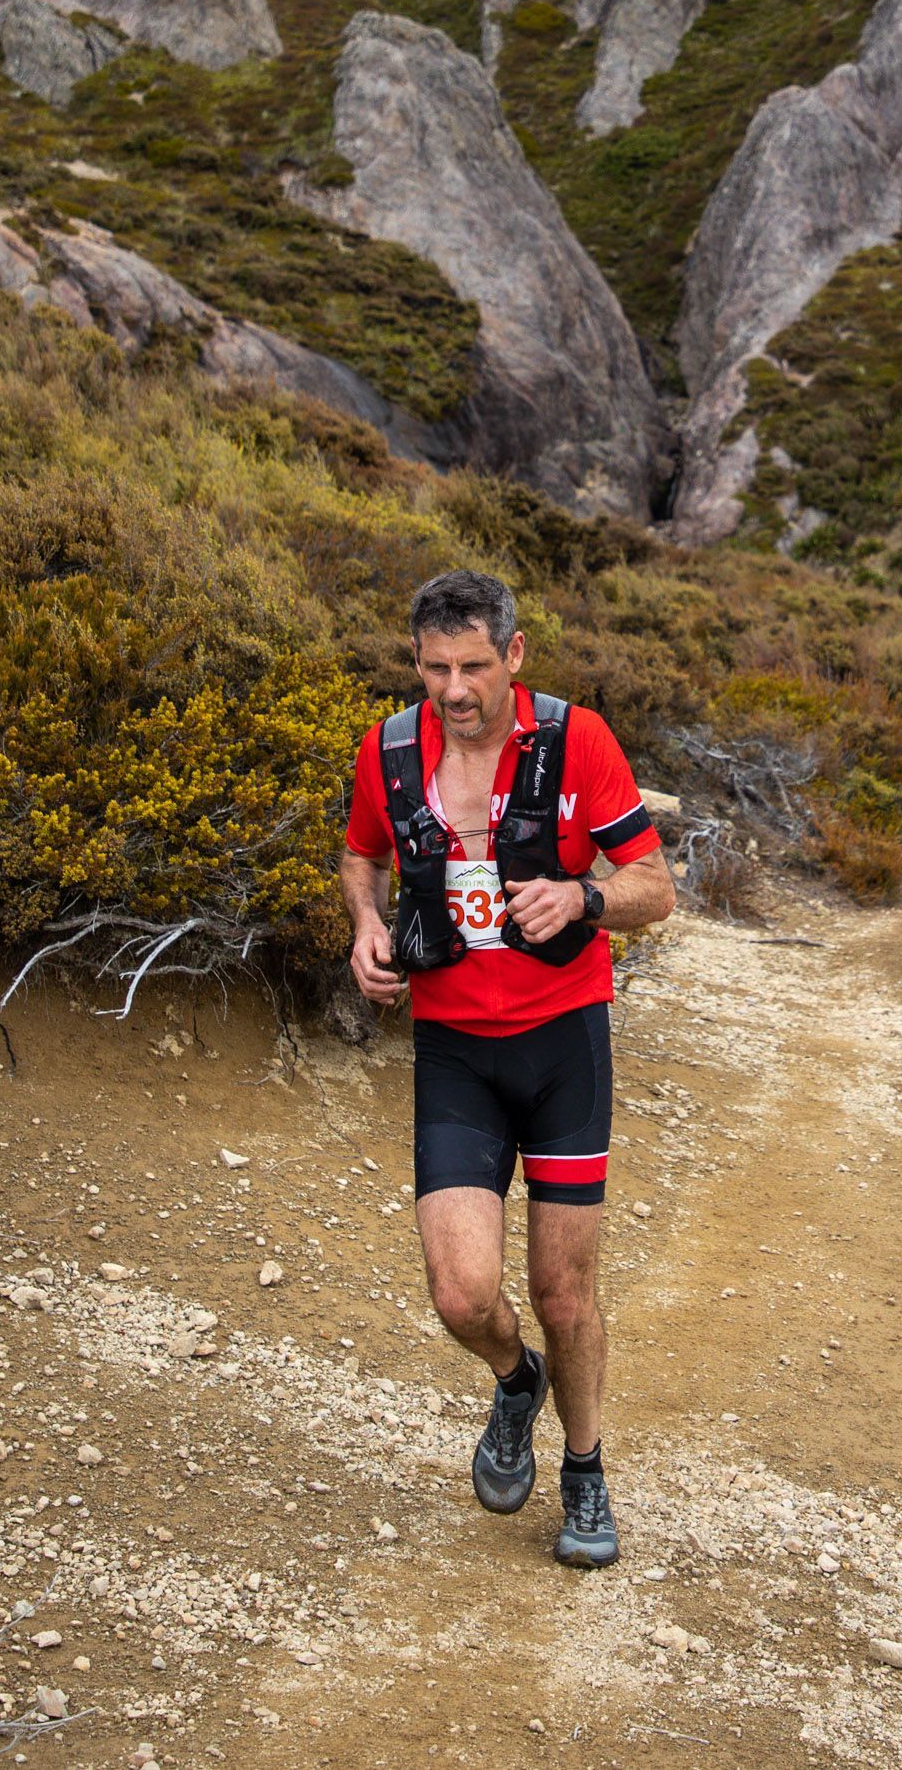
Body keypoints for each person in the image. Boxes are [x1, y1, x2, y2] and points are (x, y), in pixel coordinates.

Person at [342, 568, 675, 1567]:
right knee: (460, 1293)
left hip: (563, 1041)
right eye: (435, 668)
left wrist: (582, 900)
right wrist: (365, 926)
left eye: (475, 666)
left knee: (563, 1292)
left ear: (514, 655)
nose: (455, 689)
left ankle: (584, 1469)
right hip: (454, 1051)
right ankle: (514, 1378)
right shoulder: (389, 751)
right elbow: (361, 854)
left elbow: (654, 885)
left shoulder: (577, 741)